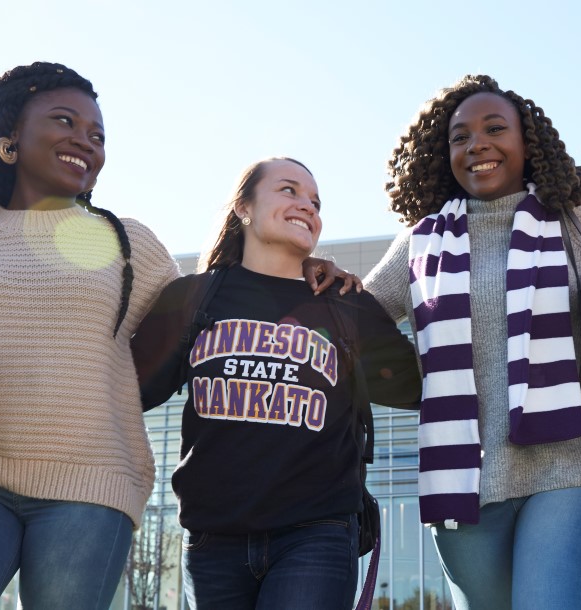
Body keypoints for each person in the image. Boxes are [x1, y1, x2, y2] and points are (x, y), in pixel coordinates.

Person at [0, 65, 355, 609]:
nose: (84, 140)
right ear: (8, 139)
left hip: (92, 489)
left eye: (97, 135)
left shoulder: (128, 243)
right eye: (65, 121)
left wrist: (303, 264)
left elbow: (221, 320)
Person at [364, 75, 581, 609]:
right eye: (460, 137)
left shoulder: (573, 222)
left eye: (494, 129)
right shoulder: (422, 241)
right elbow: (355, 314)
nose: (477, 144)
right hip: (464, 483)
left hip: (572, 464)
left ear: (526, 143)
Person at [133, 157, 421, 609]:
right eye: (289, 190)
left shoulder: (344, 306)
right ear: (243, 206)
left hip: (317, 534)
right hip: (212, 539)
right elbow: (124, 389)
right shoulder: (191, 298)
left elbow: (420, 383)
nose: (307, 206)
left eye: (316, 202)